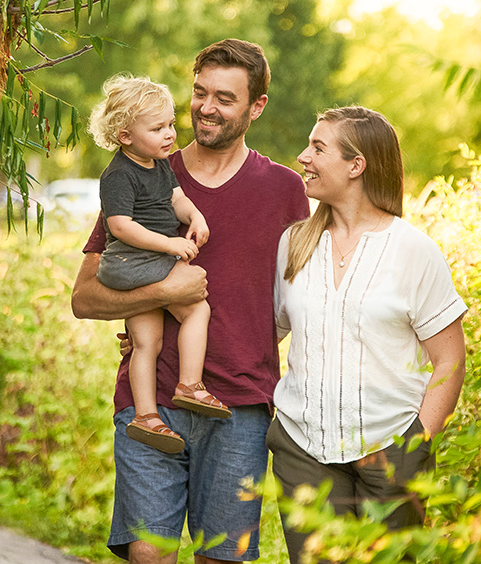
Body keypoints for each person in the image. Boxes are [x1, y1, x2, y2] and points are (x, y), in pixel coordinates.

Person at [71, 39, 310, 564]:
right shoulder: (145, 171)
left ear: (257, 107)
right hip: (149, 403)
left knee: (221, 559)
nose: (205, 107)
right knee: (149, 555)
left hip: (240, 406)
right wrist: (159, 295)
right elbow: (86, 296)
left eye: (225, 98)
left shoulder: (285, 191)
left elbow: (307, 300)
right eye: (200, 93)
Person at [268, 106, 468, 563]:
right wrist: (160, 339)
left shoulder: (413, 250)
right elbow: (264, 334)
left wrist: (417, 443)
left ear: (356, 165)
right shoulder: (294, 243)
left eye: (319, 148)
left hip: (391, 449)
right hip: (303, 449)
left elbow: (450, 360)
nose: (303, 157)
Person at [87, 74, 230, 455]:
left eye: (170, 124)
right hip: (130, 262)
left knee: (146, 342)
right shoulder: (118, 174)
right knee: (197, 307)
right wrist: (169, 243)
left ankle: (146, 416)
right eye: (157, 128)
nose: (170, 134)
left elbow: (177, 199)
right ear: (124, 135)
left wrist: (195, 217)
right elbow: (119, 225)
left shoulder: (159, 163)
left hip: (141, 264)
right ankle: (189, 383)